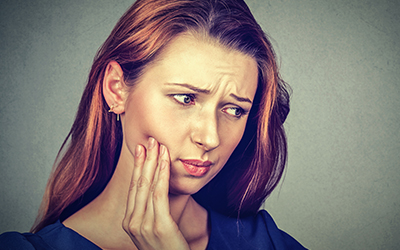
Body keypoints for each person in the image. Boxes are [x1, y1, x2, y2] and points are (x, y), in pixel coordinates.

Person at [0, 0, 306, 249]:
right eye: (186, 98)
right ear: (116, 89)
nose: (210, 137)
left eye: (234, 110)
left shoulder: (264, 242)